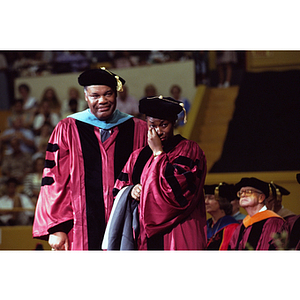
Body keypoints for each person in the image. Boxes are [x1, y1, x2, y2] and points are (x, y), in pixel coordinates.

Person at [32, 67, 148, 250]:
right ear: (86, 97)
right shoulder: (68, 129)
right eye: (95, 95)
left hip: (128, 222)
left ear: (116, 94)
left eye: (108, 94)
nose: (102, 100)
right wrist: (56, 227)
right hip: (80, 226)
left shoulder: (138, 129)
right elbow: (54, 180)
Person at [108, 95, 207, 250]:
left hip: (178, 232)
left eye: (164, 125)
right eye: (153, 125)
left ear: (173, 123)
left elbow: (175, 193)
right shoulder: (137, 156)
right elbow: (118, 189)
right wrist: (130, 190)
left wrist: (158, 153)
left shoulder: (189, 150)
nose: (158, 131)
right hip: (144, 237)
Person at [228, 177, 287, 250]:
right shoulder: (243, 225)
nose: (243, 195)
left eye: (248, 192)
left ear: (261, 198)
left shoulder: (273, 222)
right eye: (240, 193)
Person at [205, 183, 239, 250]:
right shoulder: (206, 225)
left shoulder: (232, 226)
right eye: (205, 198)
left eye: (211, 198)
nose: (206, 202)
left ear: (222, 201)